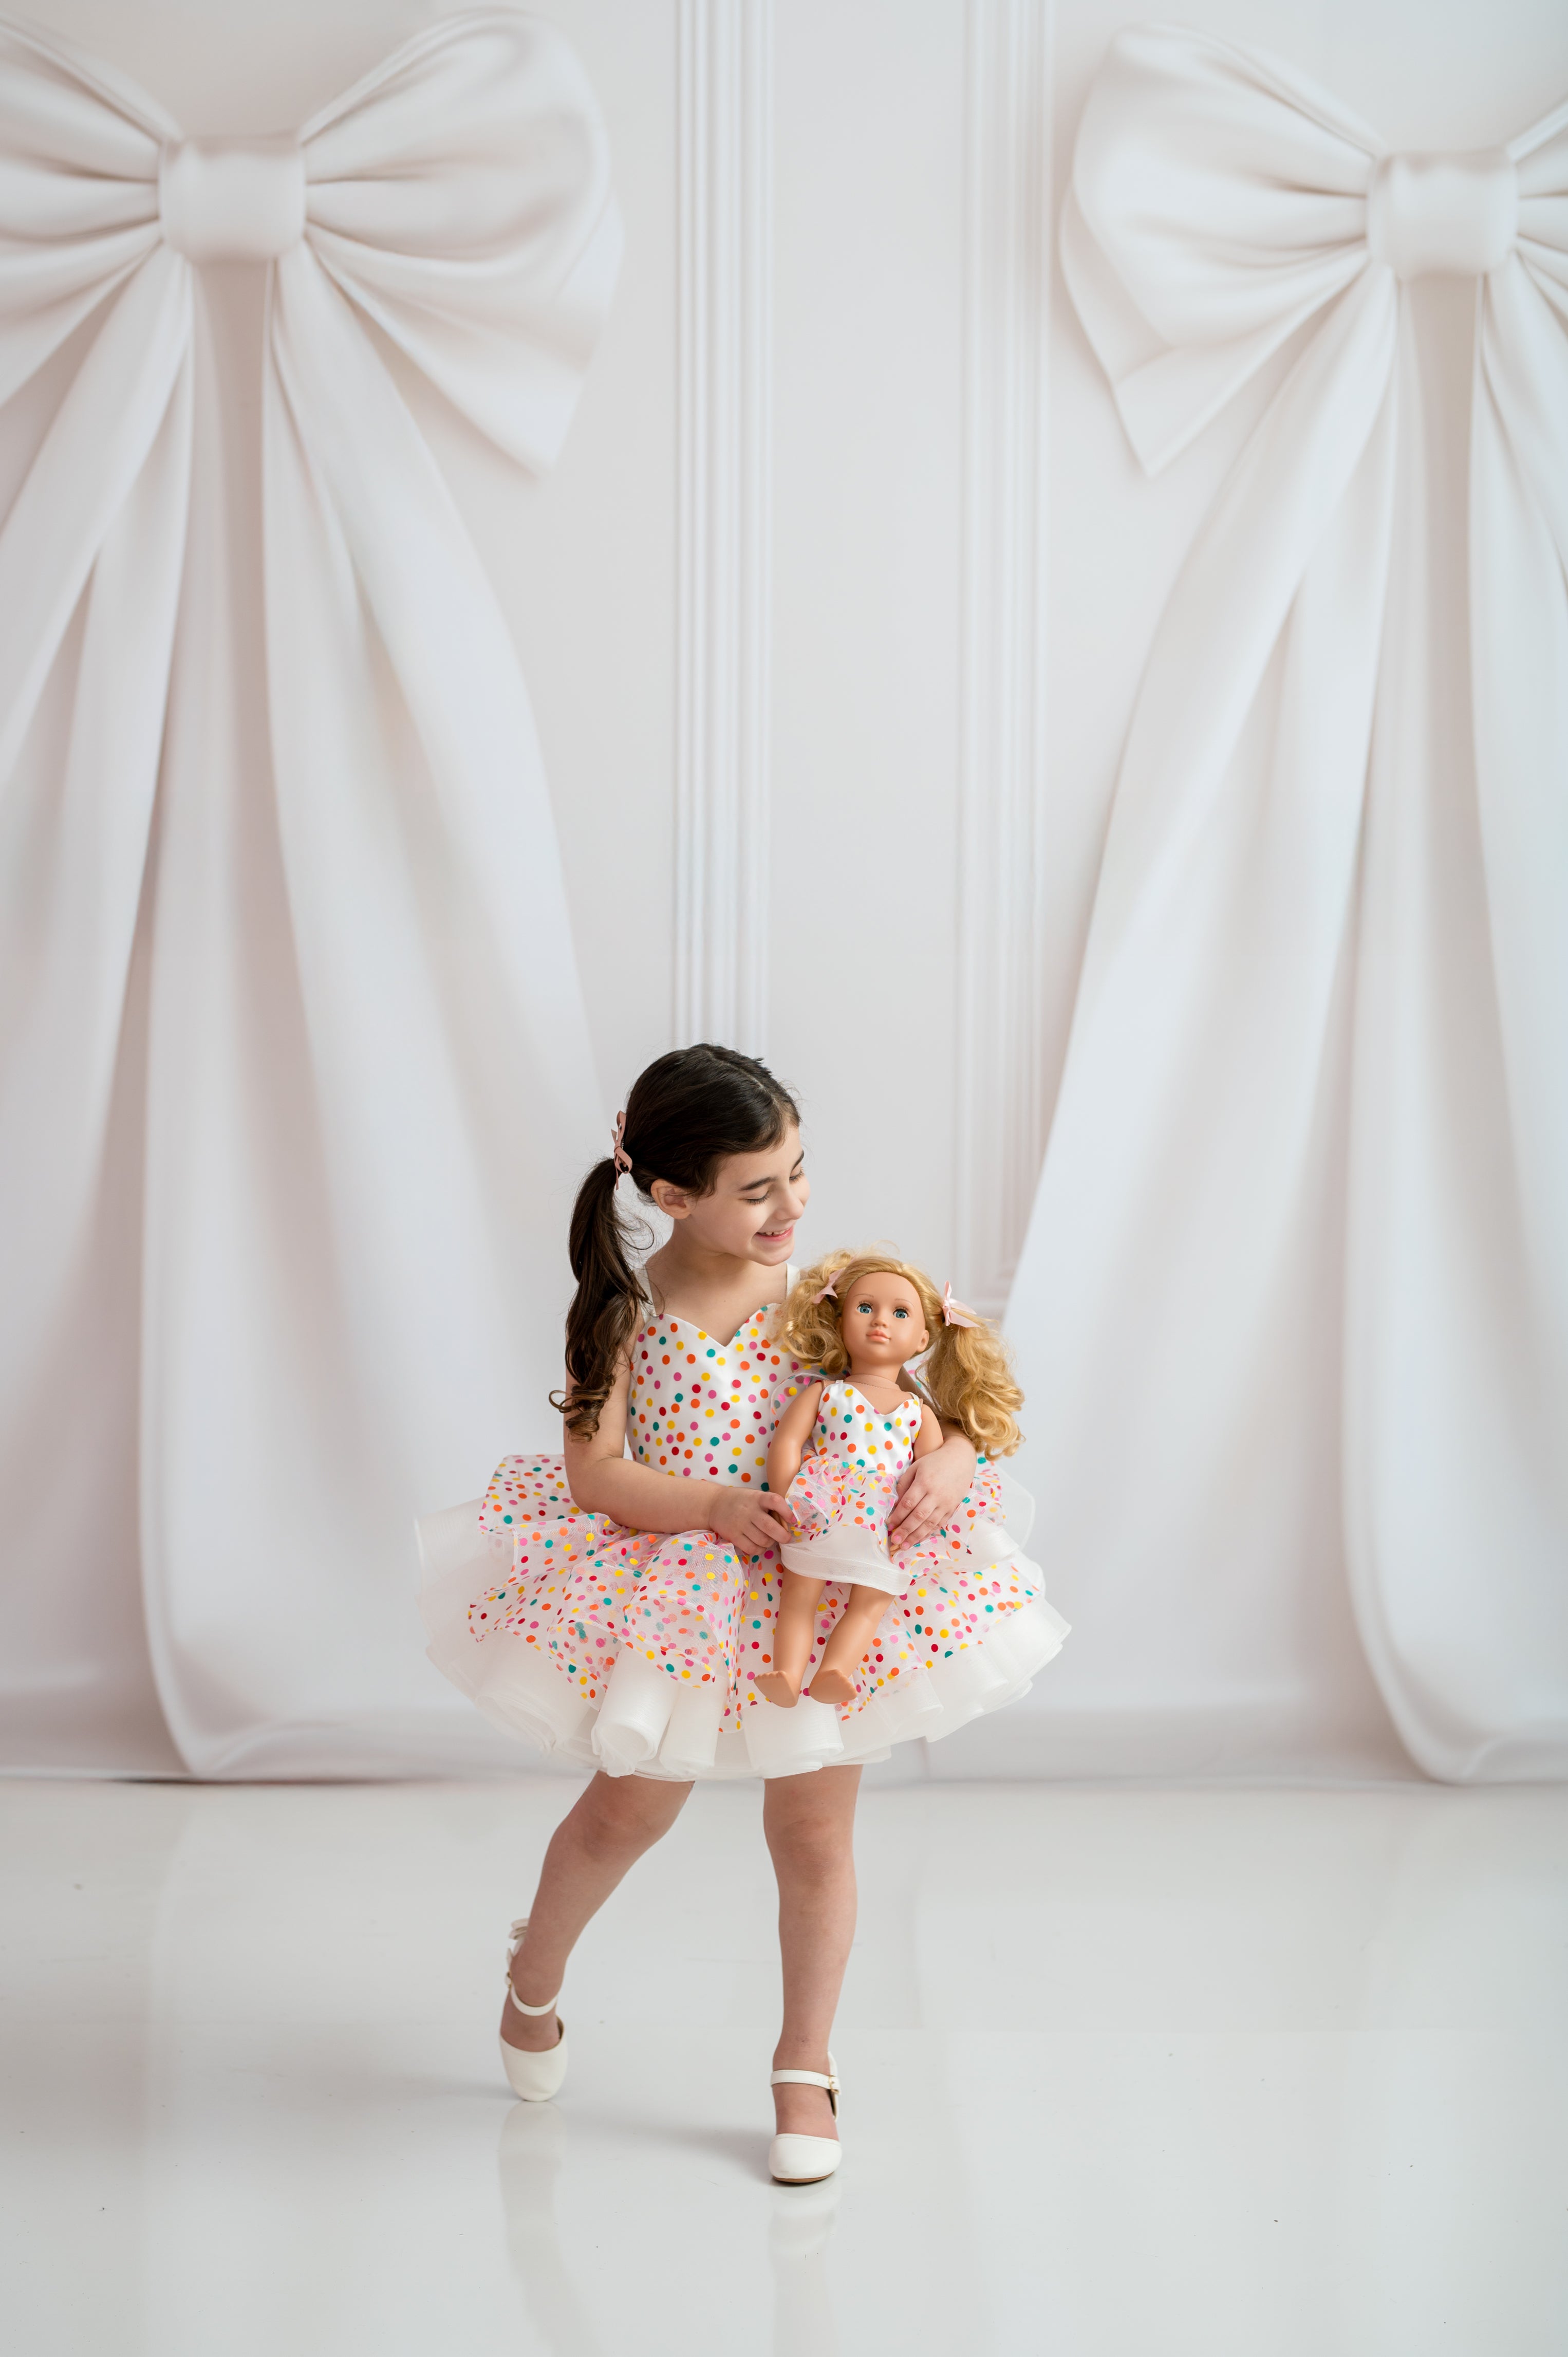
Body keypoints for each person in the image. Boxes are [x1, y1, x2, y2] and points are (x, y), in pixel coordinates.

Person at [419, 1044, 1068, 2183]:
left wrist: (955, 1457)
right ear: (673, 1195)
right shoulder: (620, 1312)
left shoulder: (824, 1299)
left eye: (797, 1173)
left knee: (813, 1829)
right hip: (679, 1586)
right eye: (756, 1187)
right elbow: (595, 1474)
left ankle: (802, 2067)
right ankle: (534, 1978)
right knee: (629, 1813)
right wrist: (715, 1503)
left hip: (815, 1588)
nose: (790, 1206)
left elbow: (924, 1397)